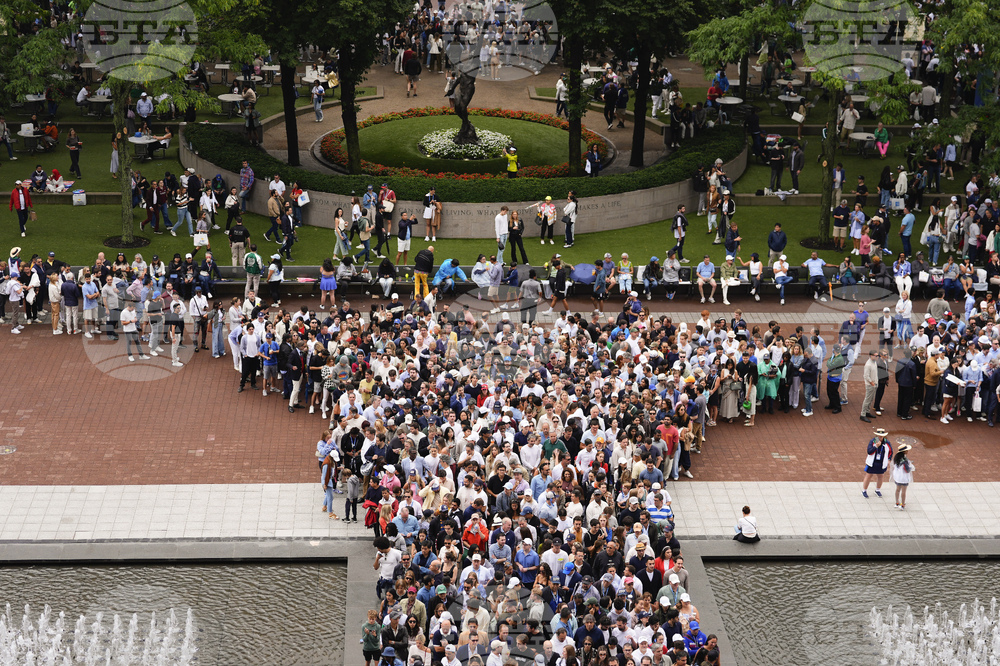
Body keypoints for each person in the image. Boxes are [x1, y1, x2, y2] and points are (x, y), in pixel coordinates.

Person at [891, 443, 915, 509]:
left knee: (897, 489)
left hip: (898, 477)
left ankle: (897, 502)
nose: (907, 451)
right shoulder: (904, 460)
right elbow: (907, 470)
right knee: (904, 491)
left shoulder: (896, 458)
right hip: (904, 478)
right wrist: (911, 466)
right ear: (904, 451)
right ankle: (903, 504)